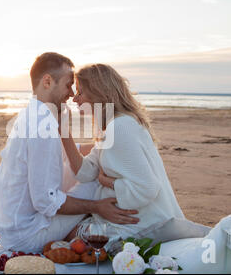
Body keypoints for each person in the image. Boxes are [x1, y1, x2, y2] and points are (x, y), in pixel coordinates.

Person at [0, 53, 139, 253]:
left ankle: (79, 225)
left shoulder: (33, 113)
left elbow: (66, 155)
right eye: (68, 85)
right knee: (93, 178)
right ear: (47, 81)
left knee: (83, 167)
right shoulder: (43, 126)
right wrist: (96, 206)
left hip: (4, 224)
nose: (72, 93)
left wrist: (107, 147)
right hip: (24, 237)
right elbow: (46, 202)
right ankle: (110, 221)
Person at [61, 63, 185, 244]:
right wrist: (64, 132)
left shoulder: (120, 127)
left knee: (64, 233)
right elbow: (85, 173)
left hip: (142, 226)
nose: (75, 98)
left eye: (80, 92)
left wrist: (106, 181)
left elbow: (146, 188)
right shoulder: (112, 126)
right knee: (64, 228)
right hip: (129, 220)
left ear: (100, 93)